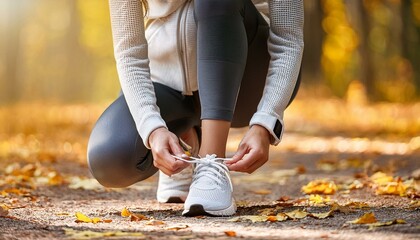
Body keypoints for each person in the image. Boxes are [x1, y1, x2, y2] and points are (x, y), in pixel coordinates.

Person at [87, 0, 303, 217]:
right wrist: (153, 129)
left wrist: (266, 121)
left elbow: (288, 40)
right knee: (109, 161)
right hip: (167, 82)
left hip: (247, 82)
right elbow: (129, 52)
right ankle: (187, 139)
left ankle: (211, 163)